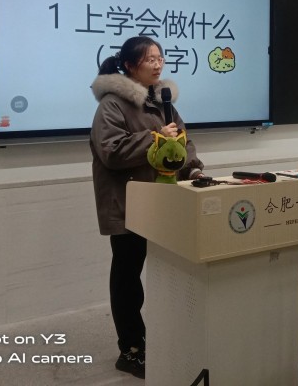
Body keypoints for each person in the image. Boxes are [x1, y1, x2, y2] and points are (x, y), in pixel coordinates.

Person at [90, 36, 205, 379]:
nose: (158, 65)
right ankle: (130, 350)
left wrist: (193, 168)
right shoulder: (112, 104)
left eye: (160, 58)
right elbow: (111, 151)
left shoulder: (162, 101)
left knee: (163, 274)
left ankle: (156, 339)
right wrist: (155, 138)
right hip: (128, 204)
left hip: (162, 203)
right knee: (128, 278)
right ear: (129, 65)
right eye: (149, 59)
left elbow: (182, 141)